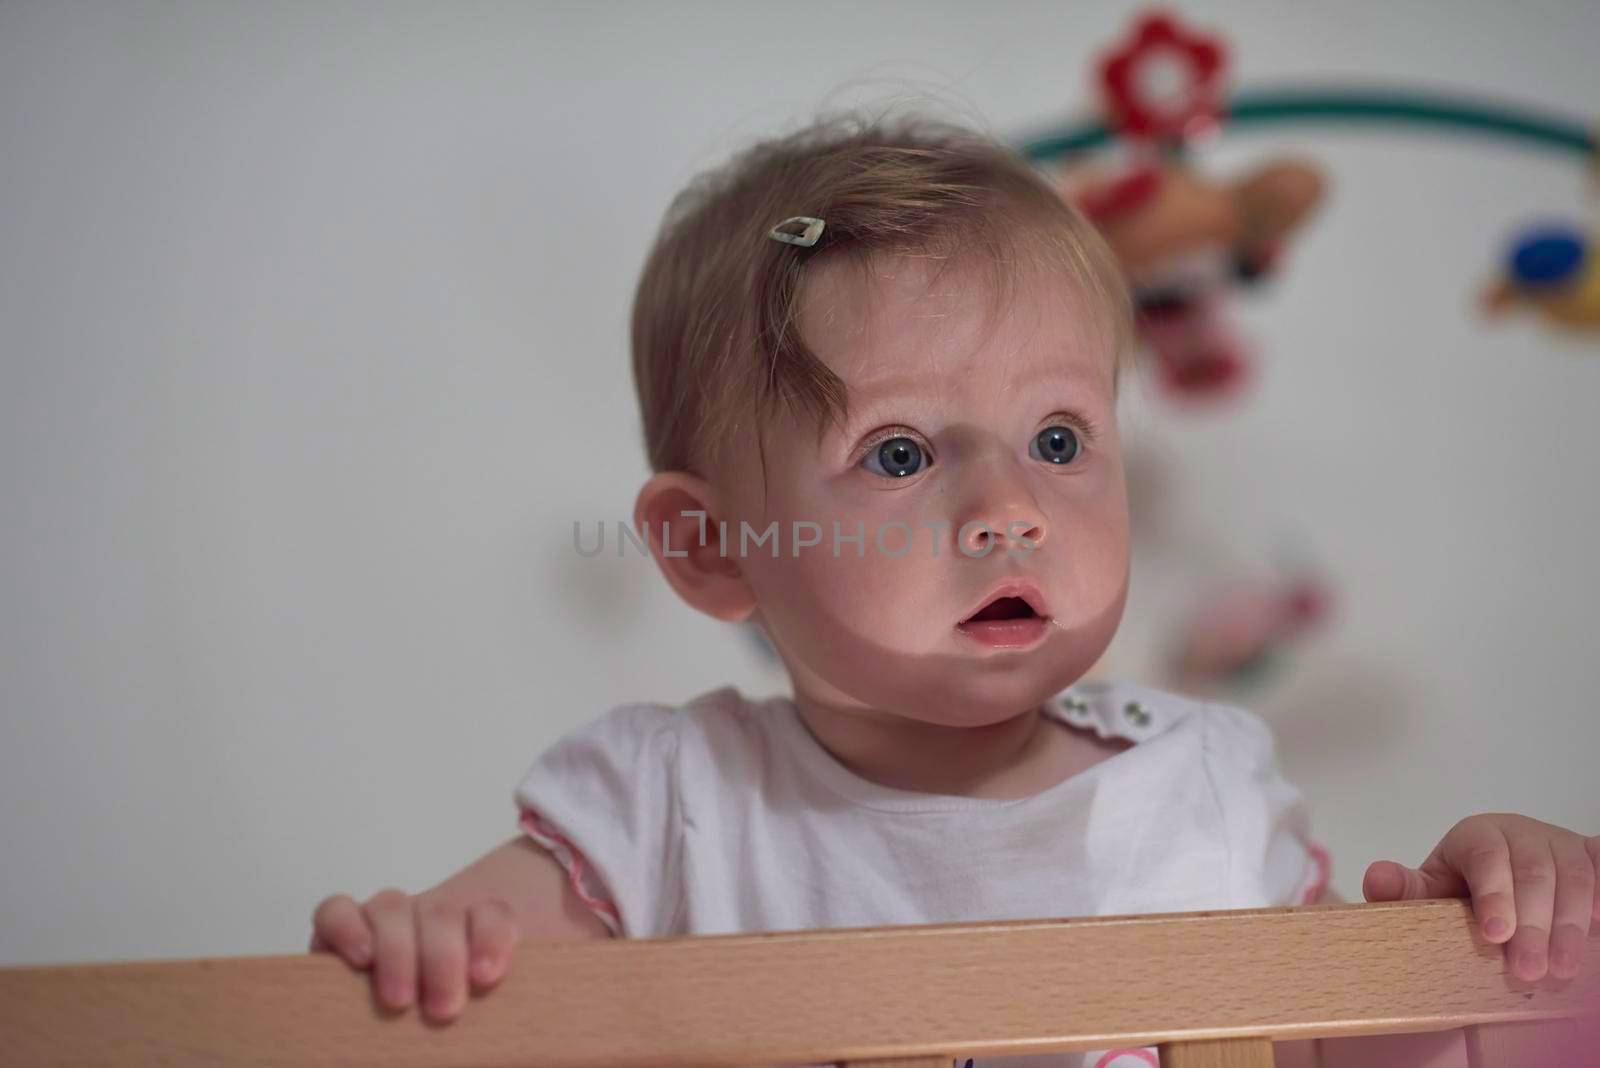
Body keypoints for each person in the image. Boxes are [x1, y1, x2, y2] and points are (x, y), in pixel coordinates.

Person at [310, 113, 1599, 1066]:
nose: (1010, 509)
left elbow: (1337, 1052)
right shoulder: (667, 808)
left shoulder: (1199, 787)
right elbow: (455, 997)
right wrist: (419, 959)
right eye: (901, 453)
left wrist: (1470, 945)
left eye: (1056, 440)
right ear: (714, 547)